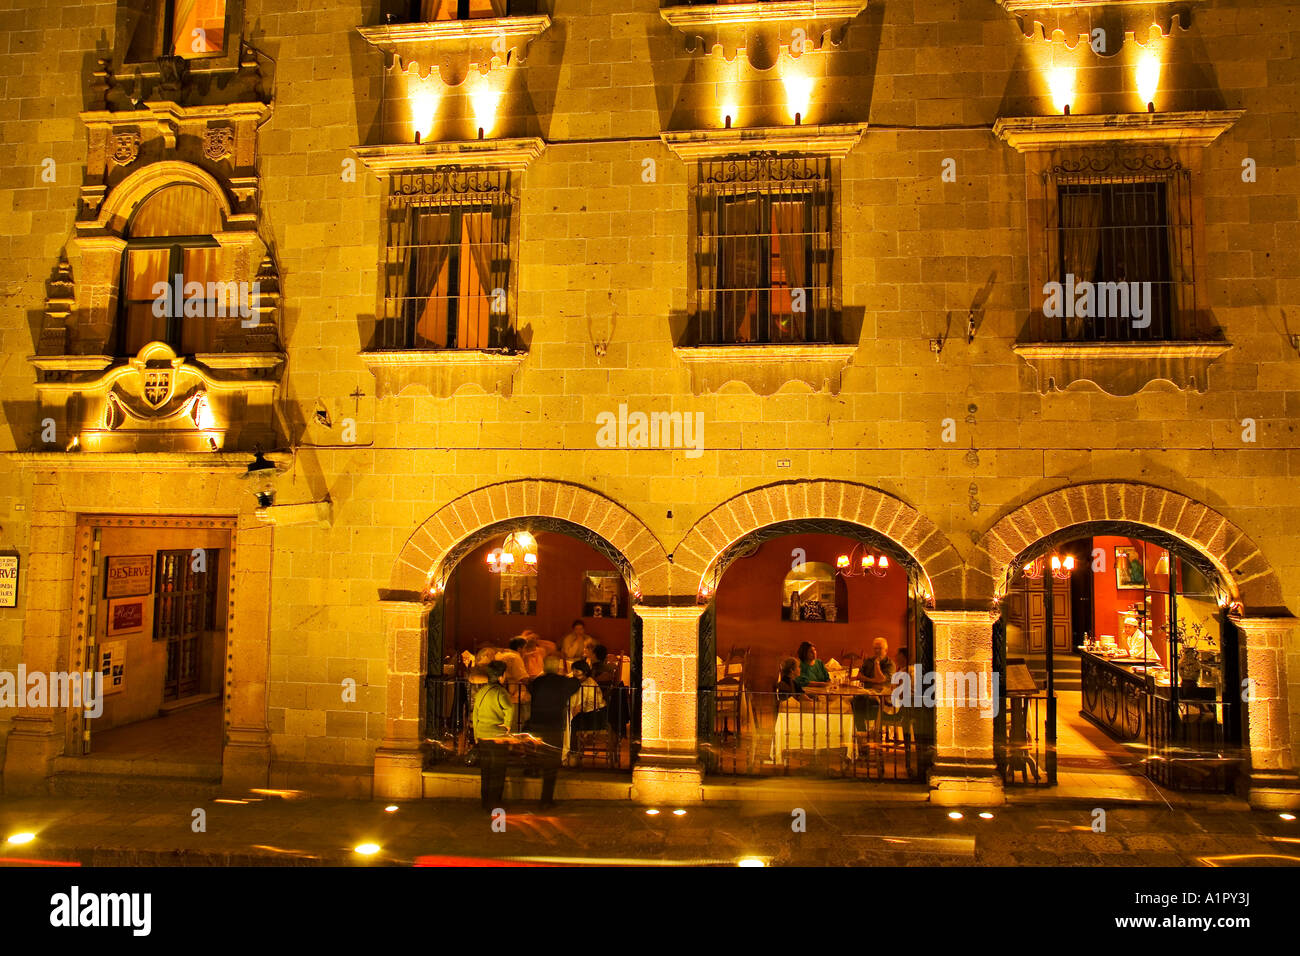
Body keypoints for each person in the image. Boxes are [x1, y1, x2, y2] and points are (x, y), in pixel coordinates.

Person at [525, 655, 581, 808]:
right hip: (553, 725)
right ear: (557, 667)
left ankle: (533, 769)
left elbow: (529, 686)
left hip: (536, 724)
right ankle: (546, 799)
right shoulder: (562, 683)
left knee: (538, 754)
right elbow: (576, 683)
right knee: (551, 763)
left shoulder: (537, 682)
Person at [472, 660, 515, 811]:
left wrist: (476, 735)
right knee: (498, 770)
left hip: (482, 736)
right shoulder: (500, 692)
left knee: (486, 770)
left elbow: (475, 714)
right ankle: (495, 802)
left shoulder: (481, 691)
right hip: (496, 736)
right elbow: (509, 708)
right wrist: (508, 725)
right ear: (501, 676)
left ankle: (485, 801)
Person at [852, 638, 895, 731]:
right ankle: (861, 730)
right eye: (875, 648)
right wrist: (873, 680)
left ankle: (875, 730)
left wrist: (877, 664)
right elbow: (859, 676)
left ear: (886, 650)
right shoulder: (868, 661)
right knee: (855, 700)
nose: (877, 651)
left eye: (880, 648)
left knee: (864, 702)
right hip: (866, 692)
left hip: (882, 697)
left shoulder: (890, 664)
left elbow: (881, 680)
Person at [568, 659, 606, 734]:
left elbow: (578, 707)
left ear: (585, 672)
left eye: (577, 671)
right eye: (573, 671)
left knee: (569, 722)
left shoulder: (586, 685)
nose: (574, 674)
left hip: (592, 718)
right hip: (594, 715)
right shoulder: (588, 681)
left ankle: (571, 743)